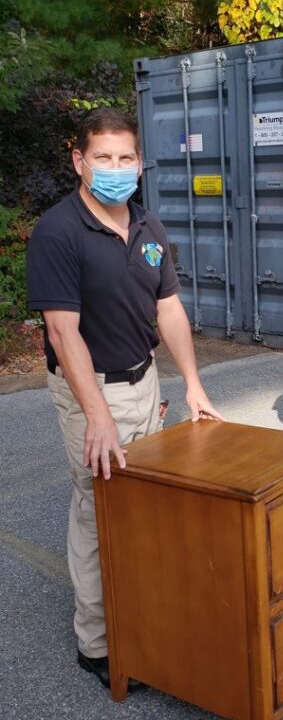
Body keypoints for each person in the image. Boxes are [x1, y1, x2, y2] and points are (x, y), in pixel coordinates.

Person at [27, 107, 224, 687]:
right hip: (92, 393)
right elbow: (64, 333)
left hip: (145, 383)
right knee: (99, 511)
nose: (115, 168)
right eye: (103, 158)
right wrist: (97, 419)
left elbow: (168, 310)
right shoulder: (58, 232)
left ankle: (144, 616)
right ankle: (97, 642)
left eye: (125, 158)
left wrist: (192, 382)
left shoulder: (147, 228)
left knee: (148, 508)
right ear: (79, 161)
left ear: (140, 162)